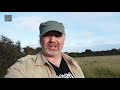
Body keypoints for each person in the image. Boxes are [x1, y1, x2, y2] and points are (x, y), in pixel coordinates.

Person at [4, 20, 85, 78]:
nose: (52, 40)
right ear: (40, 40)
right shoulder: (24, 65)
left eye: (57, 35)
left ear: (64, 39)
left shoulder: (73, 63)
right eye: (47, 35)